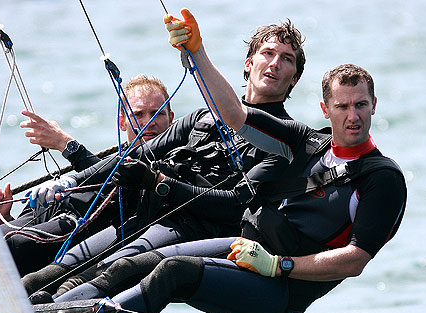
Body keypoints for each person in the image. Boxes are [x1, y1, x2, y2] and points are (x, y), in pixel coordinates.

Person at [42, 10, 407, 313]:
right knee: (144, 262)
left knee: (174, 272)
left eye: (361, 105)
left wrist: (280, 266)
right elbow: (234, 114)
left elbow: (356, 260)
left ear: (374, 105)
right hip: (250, 245)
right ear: (325, 110)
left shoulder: (381, 178)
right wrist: (196, 51)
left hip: (280, 289)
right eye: (342, 106)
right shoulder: (306, 142)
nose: (353, 116)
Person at [22, 17, 307, 297]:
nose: (274, 63)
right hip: (145, 215)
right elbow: (135, 155)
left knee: (82, 283)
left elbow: (235, 205)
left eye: (286, 59)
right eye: (267, 53)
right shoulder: (202, 117)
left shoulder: (285, 142)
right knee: (44, 277)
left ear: (294, 78)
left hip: (191, 230)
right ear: (249, 63)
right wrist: (71, 180)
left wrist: (159, 182)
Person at [0, 74, 175, 276]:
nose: (149, 121)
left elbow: (117, 183)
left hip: (74, 229)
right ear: (122, 122)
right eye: (138, 114)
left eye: (157, 113)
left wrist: (65, 144)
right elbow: (104, 172)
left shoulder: (172, 164)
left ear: (171, 119)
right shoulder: (114, 160)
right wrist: (5, 217)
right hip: (46, 217)